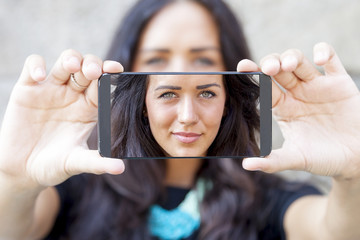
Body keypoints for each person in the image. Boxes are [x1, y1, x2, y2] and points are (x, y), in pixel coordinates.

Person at [1, 0, 360, 239]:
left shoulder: (268, 197)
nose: (187, 117)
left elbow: (331, 231)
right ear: (135, 88)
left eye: (204, 74)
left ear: (228, 91)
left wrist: (354, 173)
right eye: (160, 65)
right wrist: (15, 180)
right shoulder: (77, 185)